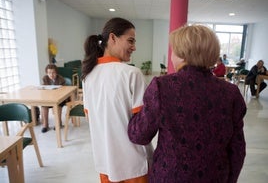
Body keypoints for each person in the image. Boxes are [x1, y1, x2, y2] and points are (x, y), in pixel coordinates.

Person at [128, 25, 246, 183]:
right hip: (215, 177)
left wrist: (136, 113)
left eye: (173, 51)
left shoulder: (162, 87)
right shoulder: (231, 93)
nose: (171, 57)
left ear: (183, 55)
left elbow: (139, 135)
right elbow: (237, 149)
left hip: (169, 176)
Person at [81, 17, 152, 183]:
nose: (134, 47)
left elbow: (91, 118)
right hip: (133, 165)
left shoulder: (87, 76)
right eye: (130, 41)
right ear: (112, 38)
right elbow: (144, 126)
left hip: (105, 163)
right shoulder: (131, 74)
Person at [41, 64, 66, 133]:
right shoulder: (45, 78)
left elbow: (64, 90)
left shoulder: (61, 79)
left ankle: (58, 123)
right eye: (49, 73)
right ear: (47, 73)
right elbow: (44, 88)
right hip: (49, 98)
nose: (51, 75)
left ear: (56, 72)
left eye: (53, 72)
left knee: (58, 105)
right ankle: (45, 125)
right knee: (44, 105)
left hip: (60, 98)